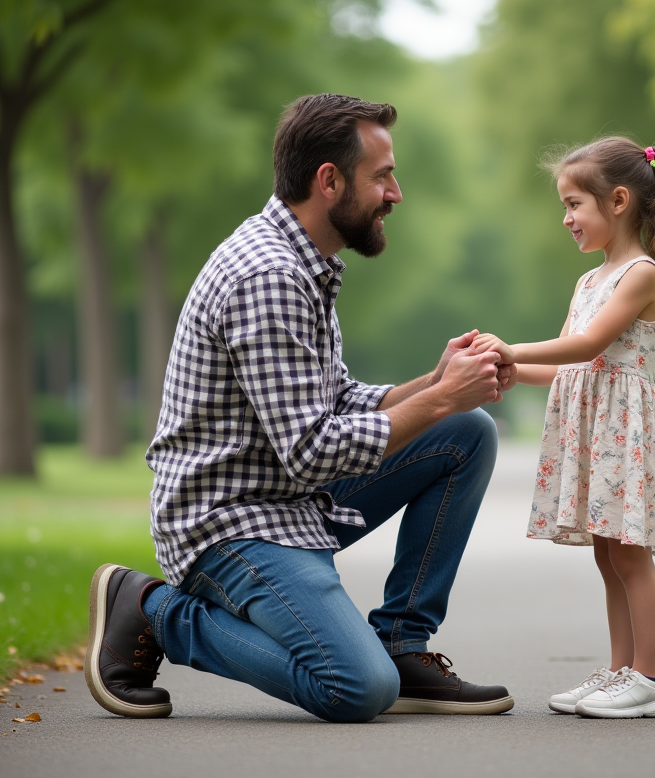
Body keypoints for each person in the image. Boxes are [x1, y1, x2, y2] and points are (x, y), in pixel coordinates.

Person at [85, 94, 518, 723]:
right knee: (356, 689)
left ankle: (401, 643)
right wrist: (441, 396)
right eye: (382, 176)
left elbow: (335, 401)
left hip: (287, 496)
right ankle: (152, 609)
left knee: (464, 431)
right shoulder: (269, 277)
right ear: (329, 180)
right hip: (229, 521)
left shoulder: (305, 262)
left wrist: (436, 385)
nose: (395, 193)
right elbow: (313, 450)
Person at [472, 136, 655, 718]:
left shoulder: (641, 274)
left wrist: (510, 344)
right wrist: (508, 370)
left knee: (630, 555)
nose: (567, 218)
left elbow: (592, 343)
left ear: (618, 200)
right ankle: (619, 671)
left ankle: (651, 678)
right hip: (595, 429)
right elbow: (571, 364)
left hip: (623, 430)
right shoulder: (589, 280)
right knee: (606, 554)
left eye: (575, 204)